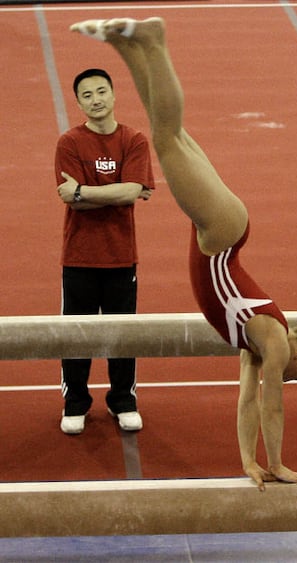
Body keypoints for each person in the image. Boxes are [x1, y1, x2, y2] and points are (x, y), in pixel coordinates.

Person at [69, 18, 297, 488]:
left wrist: (249, 460)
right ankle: (154, 42)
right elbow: (271, 403)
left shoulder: (261, 344)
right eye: (296, 378)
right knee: (166, 138)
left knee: (172, 135)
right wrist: (279, 463)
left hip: (222, 232)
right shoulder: (275, 341)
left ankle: (126, 44)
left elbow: (247, 400)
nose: (285, 380)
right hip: (220, 236)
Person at [55, 67, 155, 435]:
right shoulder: (69, 142)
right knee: (75, 334)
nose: (96, 100)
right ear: (78, 102)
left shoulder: (134, 139)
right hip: (78, 256)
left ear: (113, 95)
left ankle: (123, 400)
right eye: (87, 95)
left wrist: (84, 190)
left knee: (122, 334)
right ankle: (75, 402)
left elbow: (129, 192)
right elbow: (82, 200)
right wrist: (117, 190)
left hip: (120, 256)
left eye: (101, 92)